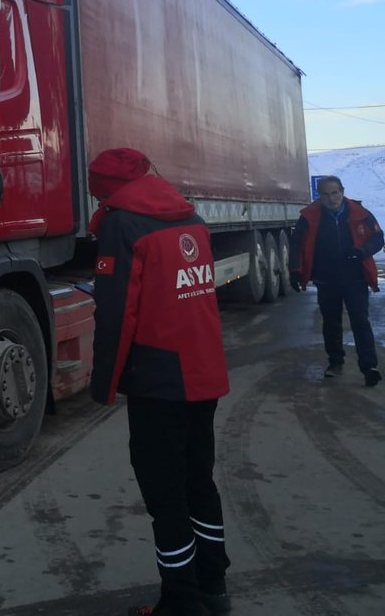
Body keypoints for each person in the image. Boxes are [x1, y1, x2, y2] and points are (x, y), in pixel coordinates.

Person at [87, 148, 231, 616]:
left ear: (106, 189)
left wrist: (103, 384)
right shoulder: (190, 217)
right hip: (203, 371)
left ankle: (181, 603)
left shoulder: (123, 224)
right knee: (199, 481)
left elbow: (117, 314)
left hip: (159, 380)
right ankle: (213, 586)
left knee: (165, 494)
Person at [287, 175, 383, 387]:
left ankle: (369, 367)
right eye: (326, 194)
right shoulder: (309, 217)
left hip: (355, 278)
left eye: (335, 193)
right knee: (331, 322)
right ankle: (336, 363)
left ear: (342, 192)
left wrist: (362, 251)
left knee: (360, 320)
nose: (331, 199)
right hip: (326, 279)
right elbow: (296, 244)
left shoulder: (360, 213)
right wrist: (294, 270)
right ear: (319, 196)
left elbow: (378, 238)